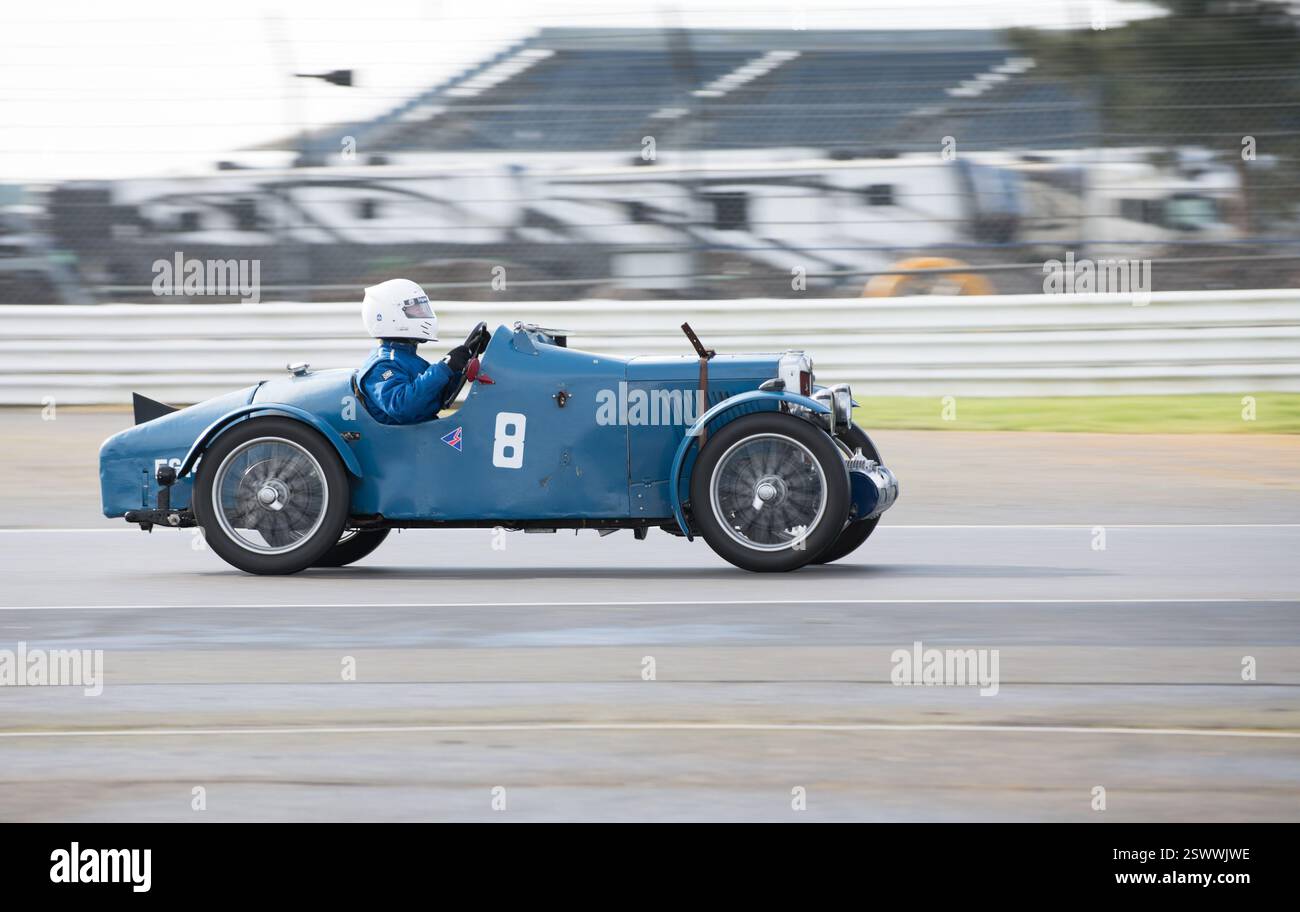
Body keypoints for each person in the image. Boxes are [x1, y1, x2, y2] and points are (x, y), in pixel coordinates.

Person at [356, 278, 471, 425]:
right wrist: (443, 368)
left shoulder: (406, 358)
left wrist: (459, 367)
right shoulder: (383, 365)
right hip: (401, 442)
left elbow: (437, 397)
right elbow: (403, 407)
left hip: (424, 434)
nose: (422, 314)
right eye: (416, 310)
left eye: (422, 309)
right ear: (391, 316)